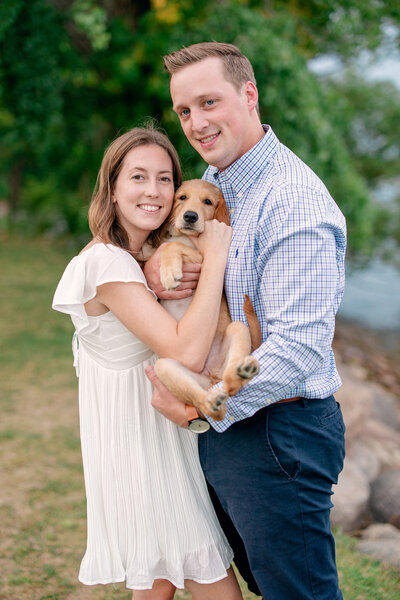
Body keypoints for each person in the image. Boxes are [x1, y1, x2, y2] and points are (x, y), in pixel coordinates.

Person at [144, 43, 347, 600]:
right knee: (261, 583)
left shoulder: (294, 201)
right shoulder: (217, 180)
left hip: (280, 433)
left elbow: (300, 349)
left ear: (249, 94)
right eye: (184, 111)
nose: (197, 123)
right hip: (231, 427)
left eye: (209, 102)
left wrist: (201, 405)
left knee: (297, 593)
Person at [52, 126, 244, 600]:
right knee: (207, 573)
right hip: (139, 446)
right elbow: (186, 352)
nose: (154, 191)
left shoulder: (143, 257)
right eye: (138, 177)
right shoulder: (109, 263)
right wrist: (216, 256)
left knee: (158, 578)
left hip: (160, 430)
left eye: (164, 179)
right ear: (113, 188)